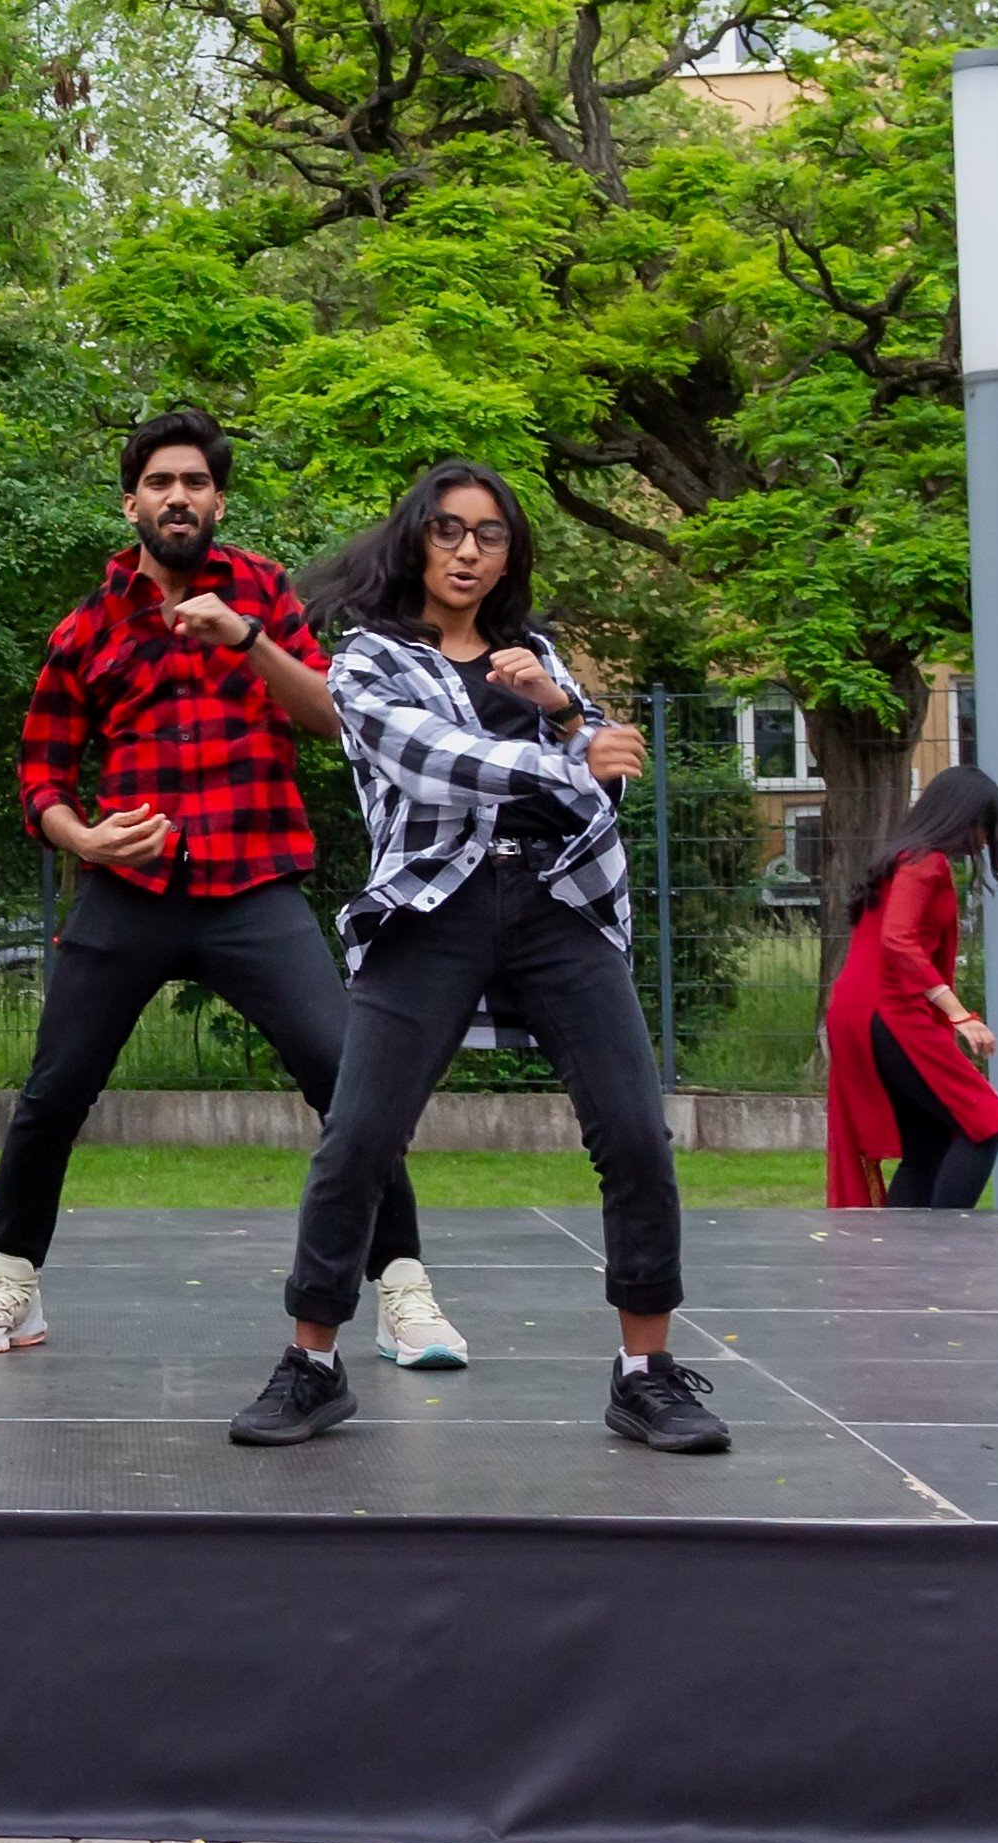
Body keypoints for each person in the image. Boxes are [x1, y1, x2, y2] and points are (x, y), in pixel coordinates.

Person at [0, 410, 454, 1368]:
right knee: (53, 1091)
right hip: (128, 892)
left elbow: (333, 718)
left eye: (194, 482)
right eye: (159, 483)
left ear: (218, 500)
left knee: (347, 1082)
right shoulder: (84, 628)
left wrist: (247, 636)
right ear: (131, 503)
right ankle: (11, 1282)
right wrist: (83, 839)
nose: (177, 497)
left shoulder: (264, 591)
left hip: (252, 884)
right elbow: (41, 776)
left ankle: (402, 1289)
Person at [247, 464, 725, 1455]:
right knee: (359, 1137)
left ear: (509, 555)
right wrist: (567, 753)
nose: (467, 551)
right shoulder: (367, 660)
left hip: (558, 904)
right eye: (448, 530)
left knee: (635, 1135)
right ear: (414, 540)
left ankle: (645, 1375)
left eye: (489, 535)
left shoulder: (534, 657)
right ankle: (310, 1364)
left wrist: (564, 712)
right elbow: (431, 760)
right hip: (431, 907)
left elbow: (606, 786)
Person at [824, 767, 998, 1209]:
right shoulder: (925, 863)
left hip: (861, 1013)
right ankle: (942, 1242)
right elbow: (898, 940)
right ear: (963, 817)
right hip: (889, 1013)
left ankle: (903, 1247)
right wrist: (959, 1015)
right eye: (984, 826)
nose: (985, 840)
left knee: (928, 1144)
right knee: (985, 1125)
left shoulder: (900, 858)